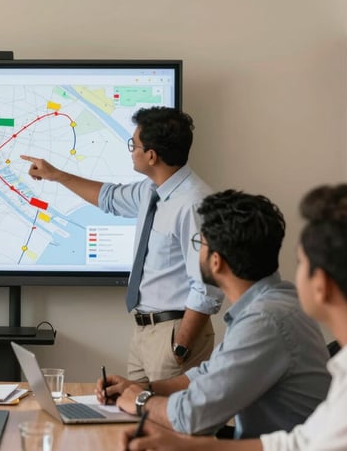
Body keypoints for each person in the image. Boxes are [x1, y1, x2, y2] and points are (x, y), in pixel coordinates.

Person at [120, 184, 347, 450]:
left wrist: (141, 400)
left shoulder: (268, 318)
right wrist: (144, 388)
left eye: (302, 262)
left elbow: (193, 415)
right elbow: (211, 375)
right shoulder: (267, 307)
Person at [22, 106, 221, 382]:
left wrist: (181, 345)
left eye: (134, 145)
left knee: (169, 422)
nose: (131, 151)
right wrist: (56, 175)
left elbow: (208, 286)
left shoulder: (193, 203)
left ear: (151, 156)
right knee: (133, 416)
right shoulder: (151, 190)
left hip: (174, 333)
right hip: (144, 331)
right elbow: (109, 198)